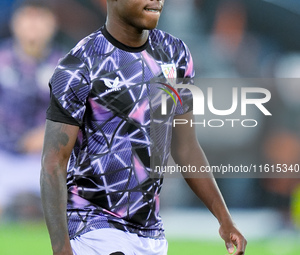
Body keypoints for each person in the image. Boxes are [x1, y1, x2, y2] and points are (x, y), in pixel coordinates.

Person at [41, 0, 247, 254]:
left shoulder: (175, 54)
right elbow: (53, 163)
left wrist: (224, 219)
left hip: (150, 232)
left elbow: (186, 147)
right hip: (92, 226)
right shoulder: (79, 65)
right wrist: (61, 249)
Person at [0, 1, 63, 254]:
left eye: (39, 18)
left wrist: (47, 134)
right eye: (26, 18)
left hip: (47, 158)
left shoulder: (64, 63)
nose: (32, 25)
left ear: (51, 24)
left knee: (74, 215)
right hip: (1, 152)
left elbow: (80, 112)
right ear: (15, 23)